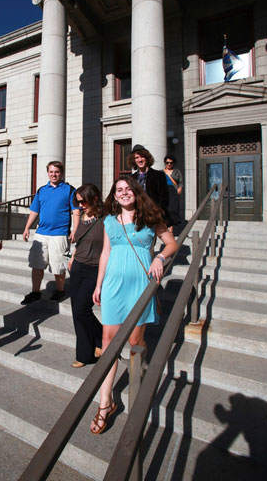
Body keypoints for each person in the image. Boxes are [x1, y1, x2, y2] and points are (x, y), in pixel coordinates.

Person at [90, 176, 178, 434]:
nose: (124, 193)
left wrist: (160, 256)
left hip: (140, 285)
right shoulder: (108, 221)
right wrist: (98, 285)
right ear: (114, 196)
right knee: (108, 342)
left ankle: (141, 376)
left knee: (134, 343)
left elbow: (171, 243)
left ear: (136, 191)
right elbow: (105, 253)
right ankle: (105, 403)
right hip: (113, 286)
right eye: (119, 190)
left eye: (128, 188)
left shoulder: (150, 217)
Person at [21, 161, 80, 304]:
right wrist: (27, 227)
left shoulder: (70, 190)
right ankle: (36, 292)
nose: (54, 174)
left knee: (58, 266)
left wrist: (75, 230)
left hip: (60, 234)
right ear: (48, 173)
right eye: (51, 172)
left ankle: (60, 291)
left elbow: (76, 212)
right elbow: (35, 211)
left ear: (61, 173)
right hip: (41, 233)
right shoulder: (41, 190)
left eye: (57, 172)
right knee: (36, 265)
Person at [68, 184, 104, 368]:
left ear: (95, 198)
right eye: (78, 201)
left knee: (82, 309)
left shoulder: (106, 218)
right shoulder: (82, 217)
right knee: (76, 312)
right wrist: (73, 258)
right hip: (78, 267)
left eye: (83, 201)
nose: (80, 204)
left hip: (95, 269)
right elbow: (79, 242)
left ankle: (103, 338)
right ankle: (85, 354)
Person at [127, 145, 170, 225]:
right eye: (136, 158)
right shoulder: (131, 178)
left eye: (142, 157)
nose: (140, 160)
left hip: (153, 215)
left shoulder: (158, 175)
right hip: (136, 215)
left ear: (147, 158)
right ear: (133, 160)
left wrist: (158, 212)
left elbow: (164, 197)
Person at [164, 154, 183, 232]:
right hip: (164, 191)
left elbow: (181, 182)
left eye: (171, 163)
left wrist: (180, 188)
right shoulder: (161, 172)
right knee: (165, 209)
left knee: (173, 209)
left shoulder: (177, 172)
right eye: (167, 162)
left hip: (173, 191)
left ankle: (171, 227)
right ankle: (165, 225)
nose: (169, 164)